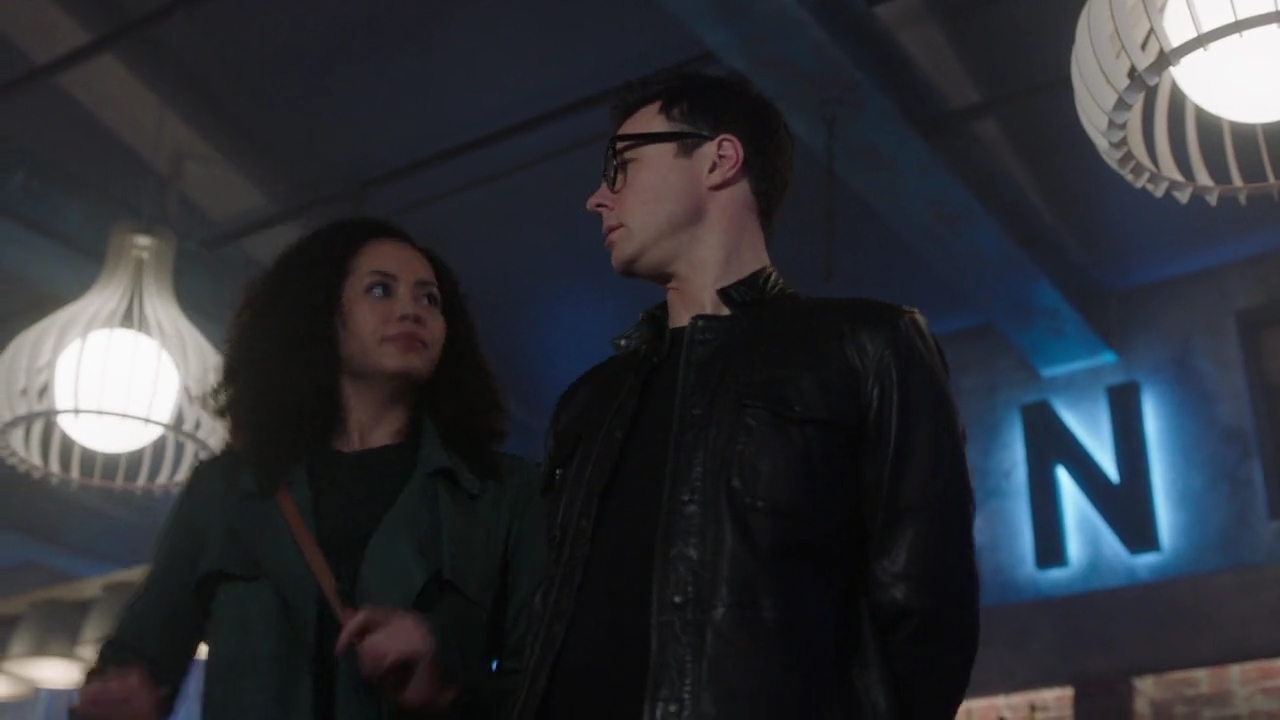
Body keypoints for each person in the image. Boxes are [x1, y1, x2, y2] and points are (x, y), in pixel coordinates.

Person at [512, 72, 980, 719]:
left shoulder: (869, 349)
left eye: (622, 166)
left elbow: (928, 618)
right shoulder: (587, 404)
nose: (597, 198)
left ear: (720, 159)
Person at [75, 218, 545, 720]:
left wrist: (447, 686)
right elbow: (139, 658)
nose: (412, 310)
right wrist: (113, 700)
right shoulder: (226, 489)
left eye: (430, 299)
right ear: (320, 312)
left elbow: (550, 690)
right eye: (380, 290)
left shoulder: (506, 495)